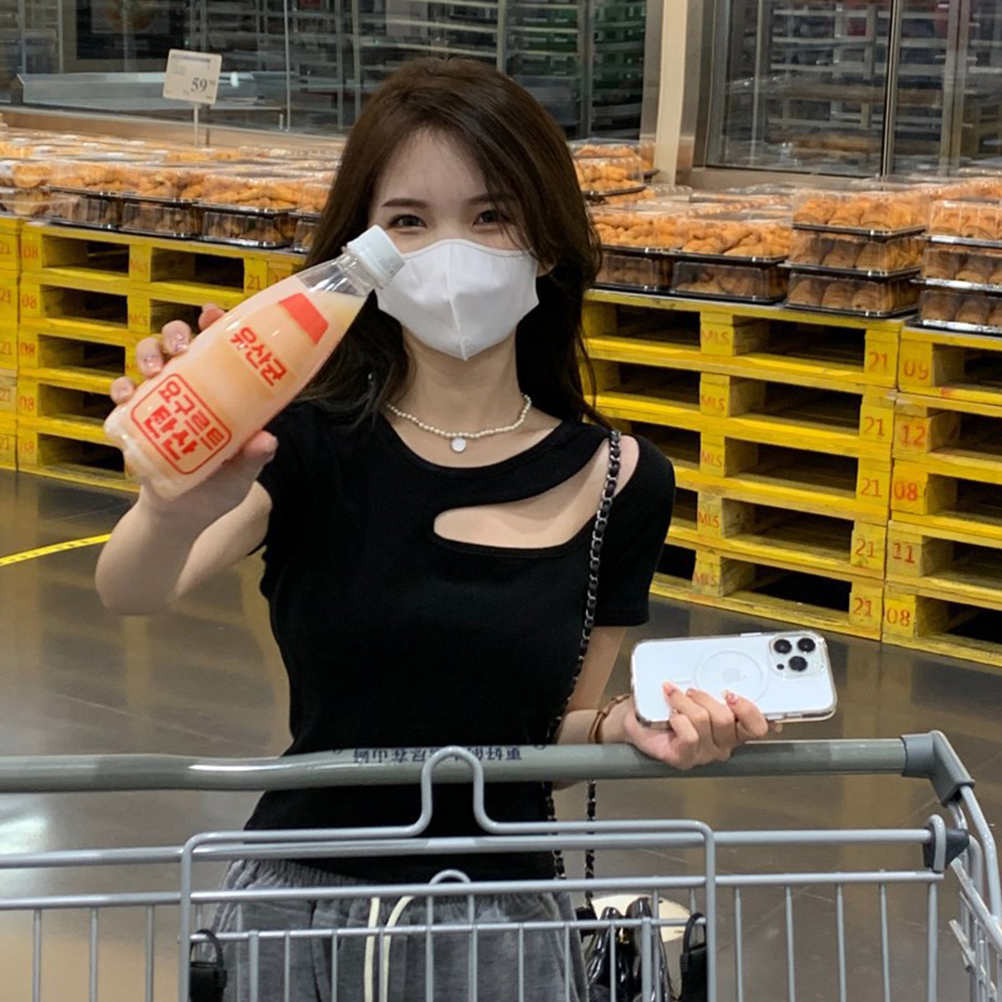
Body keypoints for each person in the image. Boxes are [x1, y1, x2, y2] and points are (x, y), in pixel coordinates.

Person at [97, 57, 771, 1002]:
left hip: (503, 927)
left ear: (547, 242)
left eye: (490, 215)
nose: (451, 251)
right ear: (362, 252)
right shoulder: (303, 441)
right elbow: (131, 589)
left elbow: (550, 734)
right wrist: (173, 508)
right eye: (408, 221)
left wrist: (627, 726)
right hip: (301, 910)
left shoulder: (623, 480)